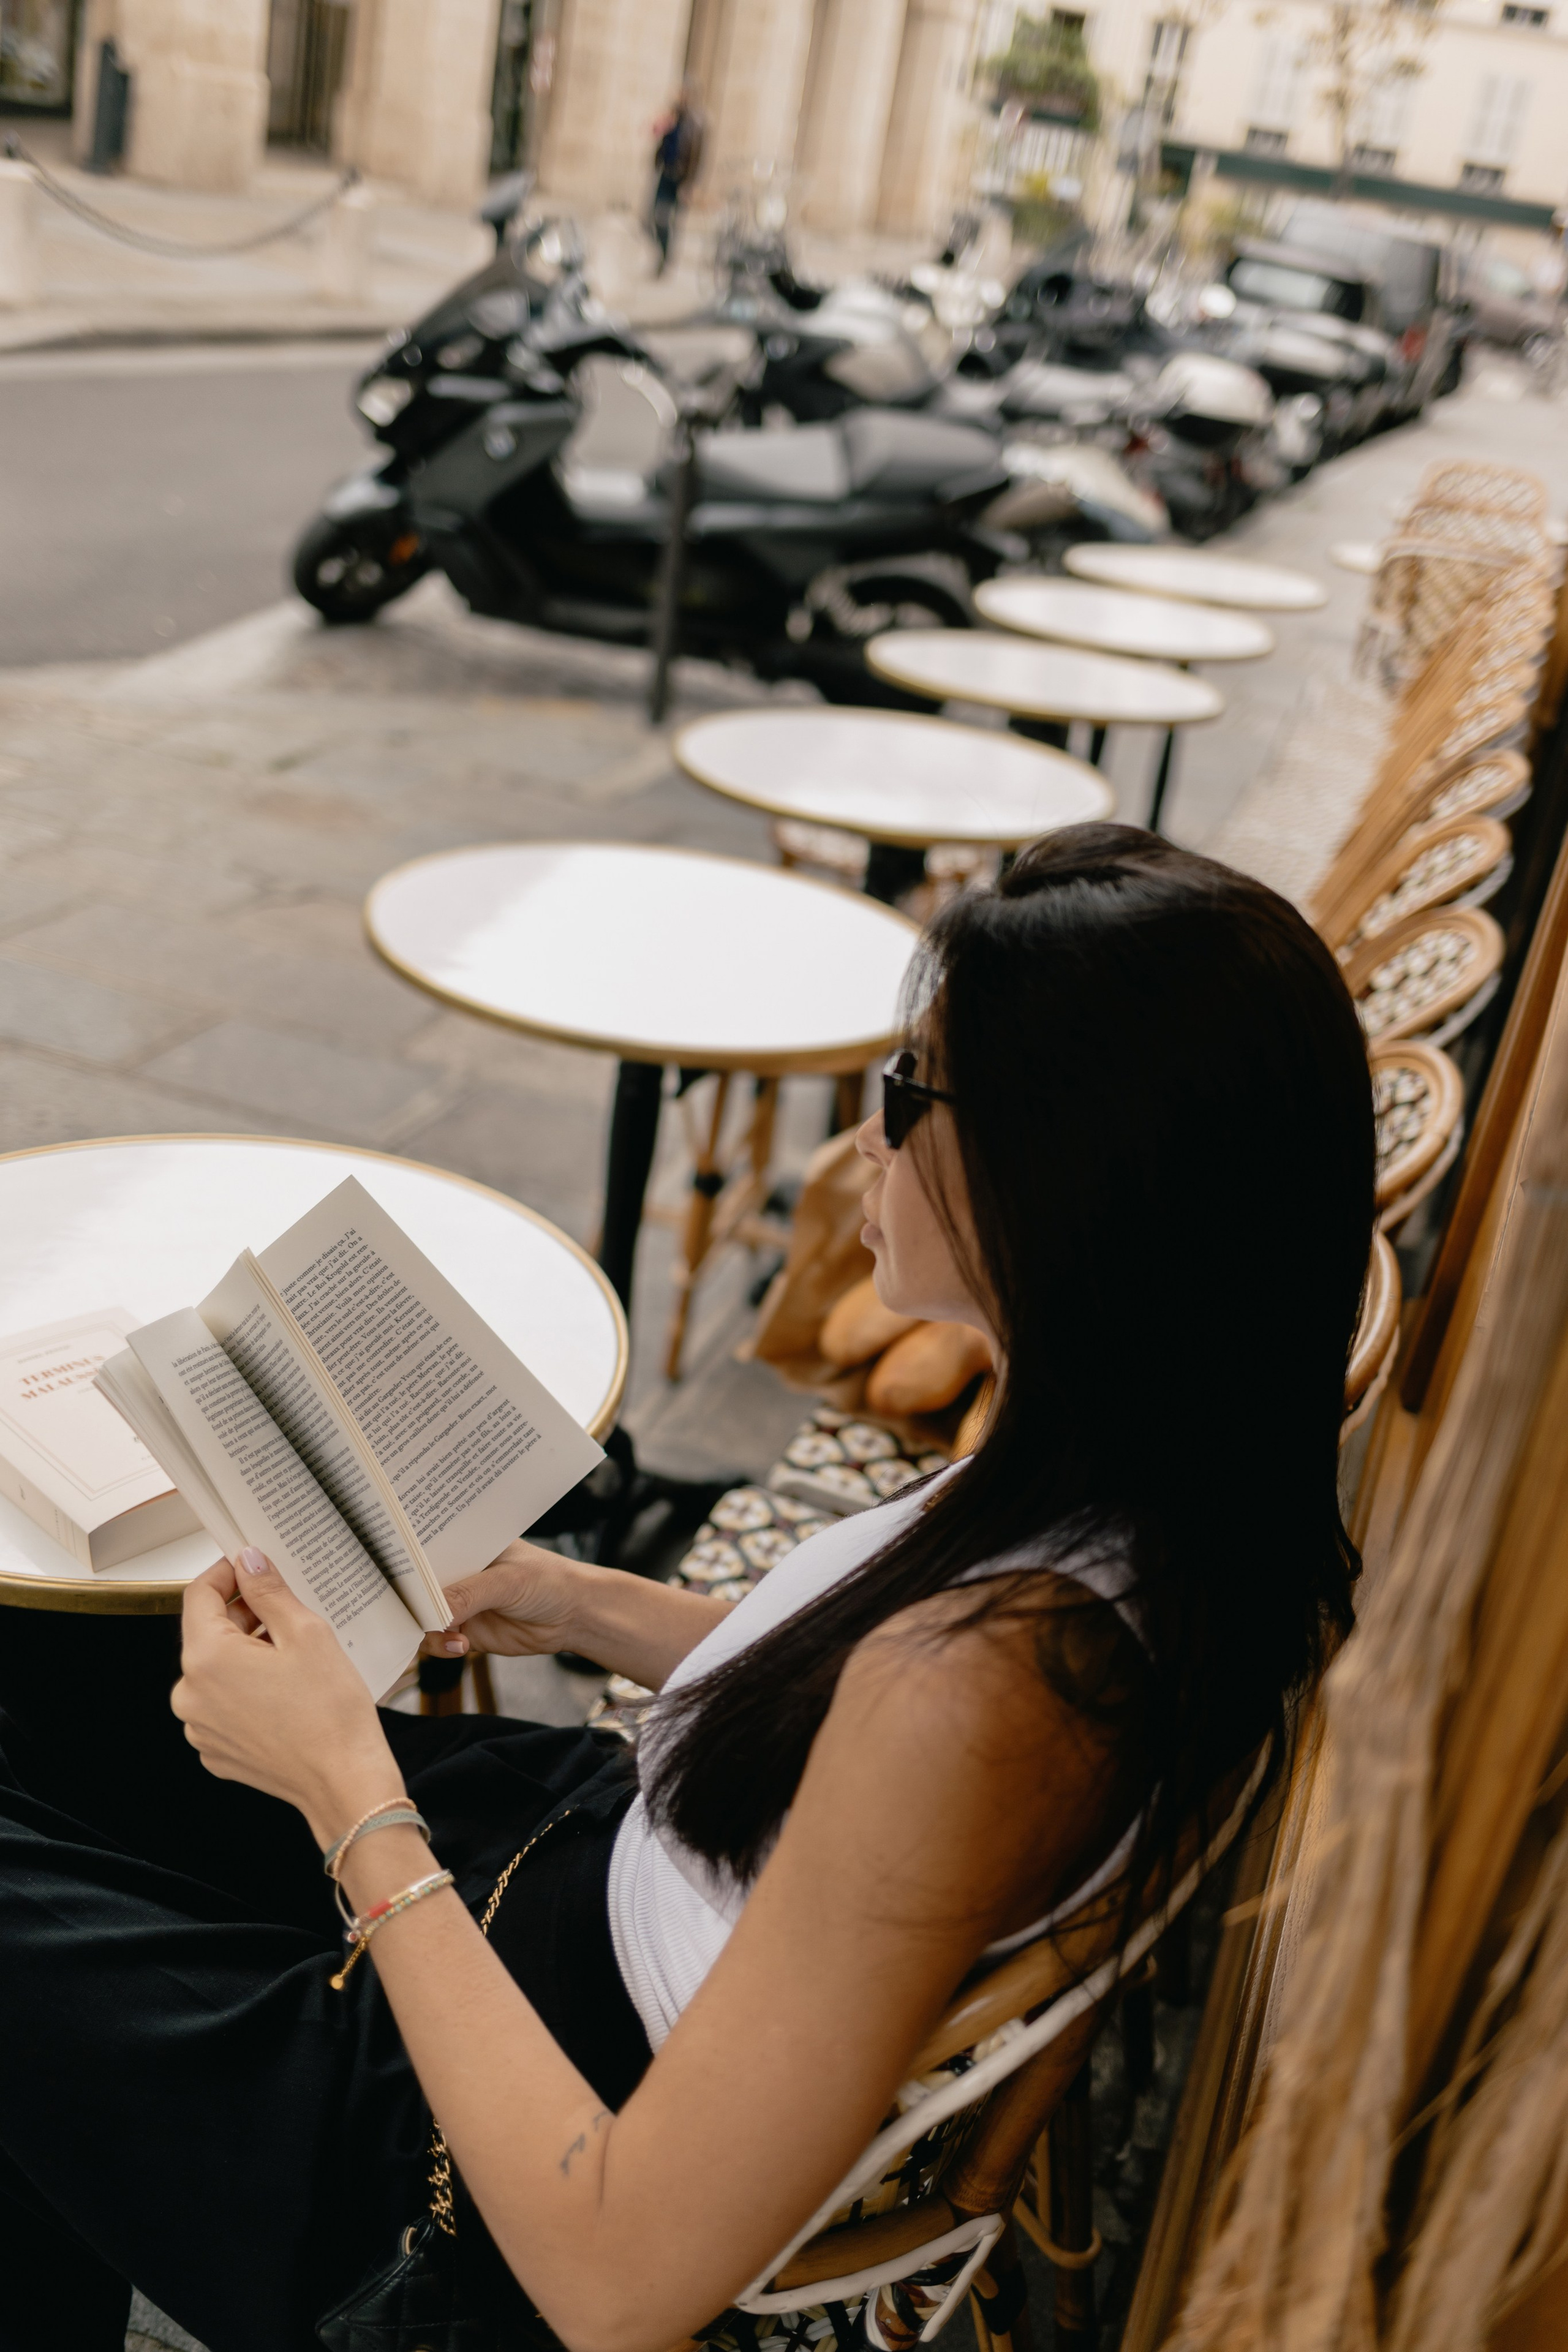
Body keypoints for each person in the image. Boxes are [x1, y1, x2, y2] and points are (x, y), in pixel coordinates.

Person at [0, 825, 1374, 2352]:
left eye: (906, 1095)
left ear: (1063, 1175)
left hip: (447, 2152)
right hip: (581, 1855)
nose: (860, 1146)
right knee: (53, 1683)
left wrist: (343, 1788)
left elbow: (614, 2279)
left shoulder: (995, 1686)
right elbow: (846, 1754)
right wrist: (576, 1599)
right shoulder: (1141, 1472)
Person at [648, 83, 704, 275]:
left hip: (680, 179)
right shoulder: (672, 119)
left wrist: (689, 185)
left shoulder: (696, 125)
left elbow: (697, 158)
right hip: (666, 174)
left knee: (668, 220)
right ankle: (661, 253)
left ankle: (665, 259)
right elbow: (659, 138)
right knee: (654, 216)